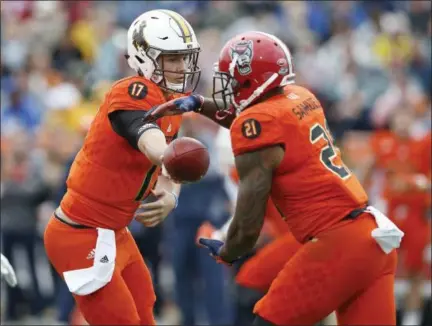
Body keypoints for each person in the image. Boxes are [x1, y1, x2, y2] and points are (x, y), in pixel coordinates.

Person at [146, 31, 404, 325]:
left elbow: (248, 227)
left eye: (233, 79)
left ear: (252, 78)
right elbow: (255, 120)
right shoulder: (300, 97)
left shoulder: (258, 124)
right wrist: (200, 103)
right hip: (371, 238)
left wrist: (229, 249)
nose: (229, 87)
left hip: (336, 242)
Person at [43, 9, 201, 325]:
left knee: (146, 314)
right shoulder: (132, 90)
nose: (182, 66)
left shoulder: (170, 103)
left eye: (185, 57)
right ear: (146, 58)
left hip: (115, 231)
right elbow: (152, 142)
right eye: (173, 59)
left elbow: (168, 164)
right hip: (81, 232)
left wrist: (171, 193)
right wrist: (175, 157)